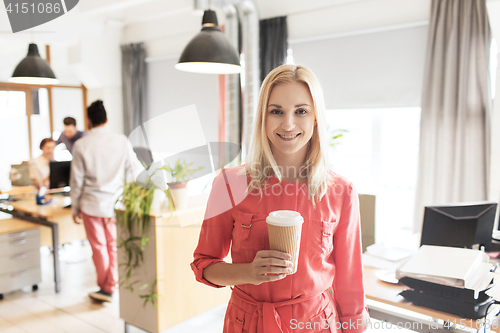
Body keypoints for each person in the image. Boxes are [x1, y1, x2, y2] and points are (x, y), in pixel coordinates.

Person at [191, 64, 370, 333]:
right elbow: (204, 265)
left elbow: (350, 281)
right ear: (263, 117)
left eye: (301, 111)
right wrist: (249, 272)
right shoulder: (228, 184)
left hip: (315, 323)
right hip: (247, 323)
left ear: (316, 118)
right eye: (276, 111)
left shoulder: (340, 191)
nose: (288, 124)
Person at [70, 100, 141, 303]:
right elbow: (135, 170)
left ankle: (106, 288)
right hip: (116, 203)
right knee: (114, 246)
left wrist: (74, 206)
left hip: (91, 205)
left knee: (99, 248)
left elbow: (77, 181)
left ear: (88, 121)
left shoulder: (81, 144)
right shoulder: (121, 141)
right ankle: (112, 285)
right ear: (107, 120)